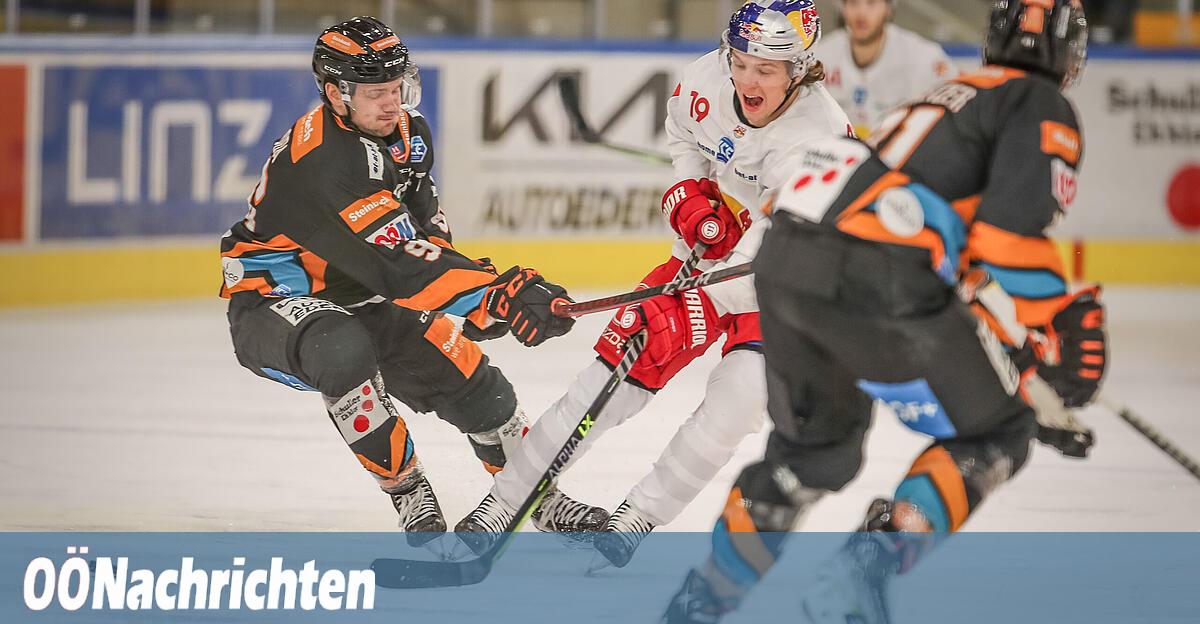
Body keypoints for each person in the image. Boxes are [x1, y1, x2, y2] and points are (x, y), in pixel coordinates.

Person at [662, 1, 1105, 622]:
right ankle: (865, 569)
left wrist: (1017, 366)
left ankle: (703, 600)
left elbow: (947, 277)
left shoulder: (943, 97)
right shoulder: (1037, 104)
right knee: (996, 432)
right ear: (1068, 55)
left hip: (788, 261)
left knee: (814, 454)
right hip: (877, 275)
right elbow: (1006, 241)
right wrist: (1060, 324)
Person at [454, 0, 853, 566]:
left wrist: (688, 301)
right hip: (714, 257)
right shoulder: (706, 78)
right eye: (740, 62)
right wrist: (687, 193)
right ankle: (505, 501)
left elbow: (769, 259)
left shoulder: (821, 139)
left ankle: (638, 517)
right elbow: (684, 135)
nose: (746, 81)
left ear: (800, 70)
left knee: (739, 402)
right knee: (608, 378)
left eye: (765, 70)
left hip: (789, 283)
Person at [219, 16, 594, 546]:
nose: (392, 104)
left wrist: (480, 303)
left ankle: (540, 497)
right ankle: (409, 492)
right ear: (336, 93)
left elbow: (423, 235)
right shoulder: (325, 159)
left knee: (478, 388)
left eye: (396, 88)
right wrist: (493, 292)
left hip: (364, 293)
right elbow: (399, 263)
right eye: (376, 93)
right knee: (341, 350)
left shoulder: (408, 134)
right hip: (273, 303)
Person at [819, 0, 956, 138]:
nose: (861, 13)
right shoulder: (820, 55)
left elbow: (955, 111)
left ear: (888, 9)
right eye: (853, 3)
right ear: (842, 8)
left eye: (871, 3)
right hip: (838, 149)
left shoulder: (924, 58)